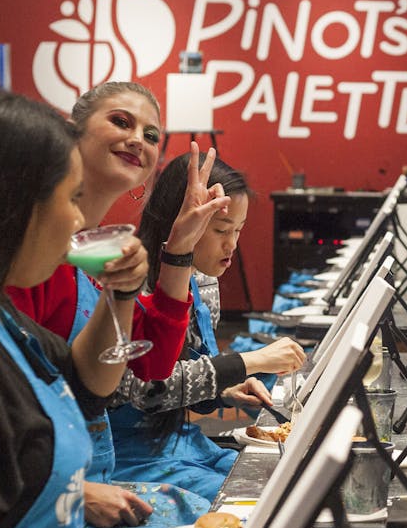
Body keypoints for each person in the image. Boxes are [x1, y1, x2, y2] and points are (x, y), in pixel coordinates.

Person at [7, 82, 229, 528]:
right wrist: (76, 494)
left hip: (81, 477)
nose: (138, 140)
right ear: (72, 131)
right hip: (48, 501)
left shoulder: (93, 242)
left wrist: (176, 253)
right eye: (122, 123)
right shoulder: (30, 255)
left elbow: (139, 362)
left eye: (152, 134)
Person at [0, 89, 152, 528]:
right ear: (18, 205)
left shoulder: (2, 319)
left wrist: (123, 294)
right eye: (71, 198)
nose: (80, 219)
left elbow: (93, 378)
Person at [108, 152, 306, 500]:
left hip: (178, 444)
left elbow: (190, 374)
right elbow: (151, 390)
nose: (232, 245)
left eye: (239, 230)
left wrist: (226, 389)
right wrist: (250, 361)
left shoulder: (201, 282)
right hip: (129, 458)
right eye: (220, 230)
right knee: (261, 501)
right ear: (181, 222)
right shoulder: (130, 286)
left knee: (282, 482)